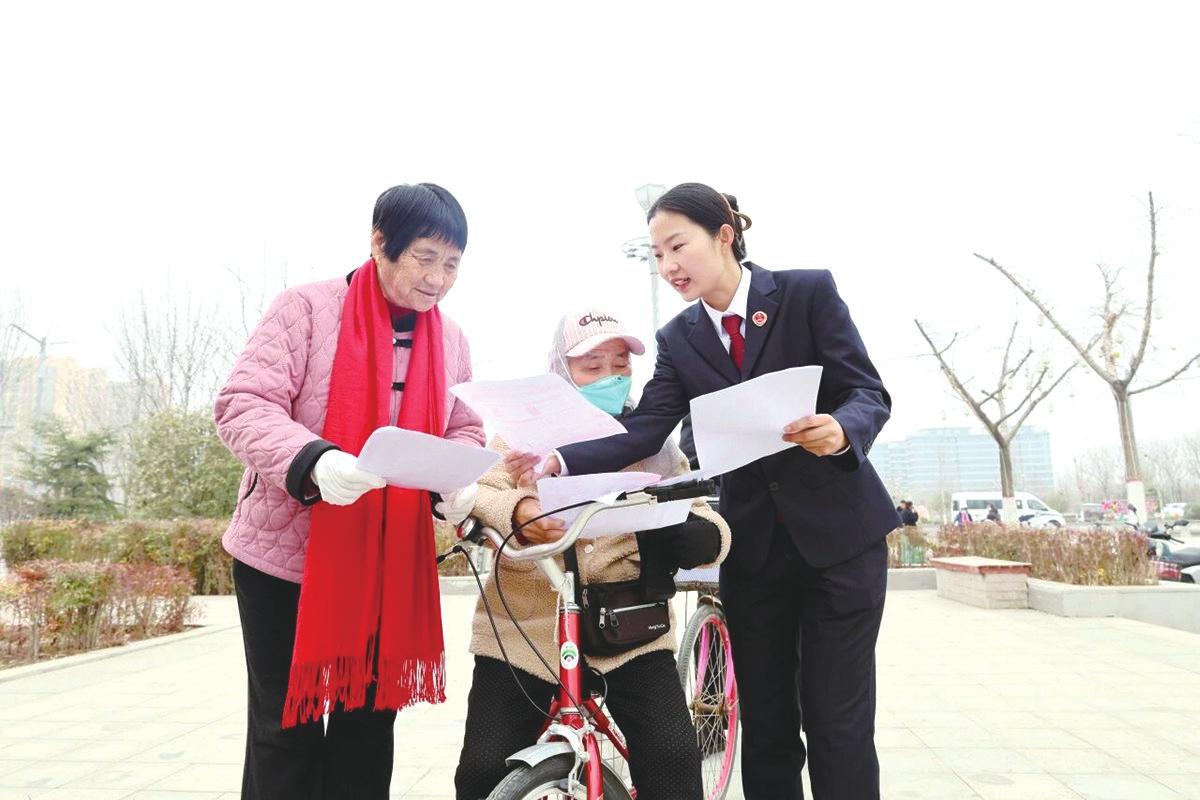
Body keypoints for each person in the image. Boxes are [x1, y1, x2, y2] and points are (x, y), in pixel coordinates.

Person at [505, 183, 899, 800]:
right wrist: (558, 458)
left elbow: (867, 392)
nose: (668, 266)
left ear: (724, 236)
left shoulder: (806, 294)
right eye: (657, 253)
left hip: (840, 545)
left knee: (837, 725)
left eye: (677, 246)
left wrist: (841, 429)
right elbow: (644, 429)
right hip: (754, 553)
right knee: (766, 726)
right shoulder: (680, 337)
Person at [215, 183, 485, 799]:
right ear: (379, 243)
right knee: (286, 728)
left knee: (367, 728)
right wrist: (315, 460)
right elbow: (243, 404)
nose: (438, 279)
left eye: (452, 264)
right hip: (286, 560)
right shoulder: (306, 310)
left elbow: (463, 427)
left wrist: (456, 478)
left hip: (386, 563)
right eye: (424, 258)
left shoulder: (451, 340)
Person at [454, 308, 730, 800]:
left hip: (631, 630)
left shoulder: (654, 445)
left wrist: (701, 535)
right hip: (526, 631)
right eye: (592, 366)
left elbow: (704, 516)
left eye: (621, 364)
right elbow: (478, 494)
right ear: (561, 371)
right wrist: (519, 510)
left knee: (672, 758)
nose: (611, 377)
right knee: (481, 771)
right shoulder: (516, 438)